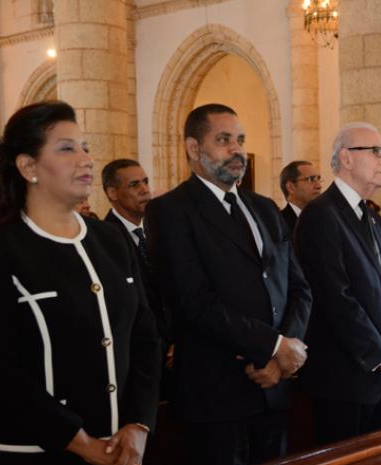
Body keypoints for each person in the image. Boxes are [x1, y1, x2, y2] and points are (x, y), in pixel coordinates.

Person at [0, 101, 162, 465]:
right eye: (67, 148)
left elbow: (144, 336)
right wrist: (80, 442)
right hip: (28, 449)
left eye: (85, 147)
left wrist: (138, 423)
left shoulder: (110, 240)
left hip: (118, 442)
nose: (85, 159)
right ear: (28, 166)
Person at [146, 103, 311, 464]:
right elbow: (193, 302)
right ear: (193, 148)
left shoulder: (265, 207)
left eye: (240, 140)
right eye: (223, 140)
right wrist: (273, 346)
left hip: (275, 386)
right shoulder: (171, 211)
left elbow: (298, 287)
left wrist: (284, 356)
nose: (237, 149)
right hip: (216, 394)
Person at [295, 122, 381, 445]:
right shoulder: (320, 215)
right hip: (345, 379)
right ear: (346, 158)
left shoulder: (375, 219)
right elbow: (335, 297)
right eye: (376, 151)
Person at [101, 159, 171, 351]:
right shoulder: (104, 239)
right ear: (112, 192)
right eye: (134, 185)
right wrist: (162, 345)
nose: (144, 190)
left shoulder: (158, 229)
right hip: (141, 350)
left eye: (146, 182)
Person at [278, 160, 322, 231]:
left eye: (318, 179)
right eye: (311, 179)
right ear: (291, 187)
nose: (319, 186)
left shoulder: (325, 218)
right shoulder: (278, 223)